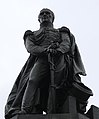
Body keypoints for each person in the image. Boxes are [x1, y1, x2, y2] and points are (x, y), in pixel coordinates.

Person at [5, 8, 87, 118]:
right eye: (42, 14)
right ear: (38, 19)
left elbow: (66, 44)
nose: (45, 15)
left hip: (59, 59)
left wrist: (58, 51)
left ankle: (52, 110)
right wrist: (46, 51)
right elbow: (31, 47)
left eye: (48, 13)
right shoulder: (31, 34)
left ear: (52, 18)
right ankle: (25, 109)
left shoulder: (61, 31)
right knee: (33, 80)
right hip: (41, 59)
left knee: (56, 85)